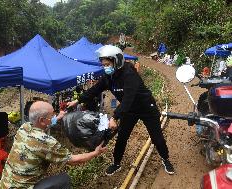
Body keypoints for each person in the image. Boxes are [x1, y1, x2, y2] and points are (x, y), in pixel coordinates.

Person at [67, 45, 175, 176]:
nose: (105, 67)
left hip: (146, 108)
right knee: (122, 138)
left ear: (116, 61)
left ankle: (166, 159)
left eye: (107, 64)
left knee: (156, 137)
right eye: (103, 65)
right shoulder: (109, 77)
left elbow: (128, 99)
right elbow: (94, 90)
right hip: (128, 111)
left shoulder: (129, 74)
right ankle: (116, 163)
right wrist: (77, 101)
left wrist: (114, 117)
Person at [0, 101, 107, 189]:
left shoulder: (24, 127)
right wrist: (95, 152)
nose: (54, 116)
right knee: (64, 179)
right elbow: (74, 160)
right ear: (41, 120)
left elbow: (42, 126)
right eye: (52, 115)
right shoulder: (46, 142)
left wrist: (57, 118)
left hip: (5, 184)